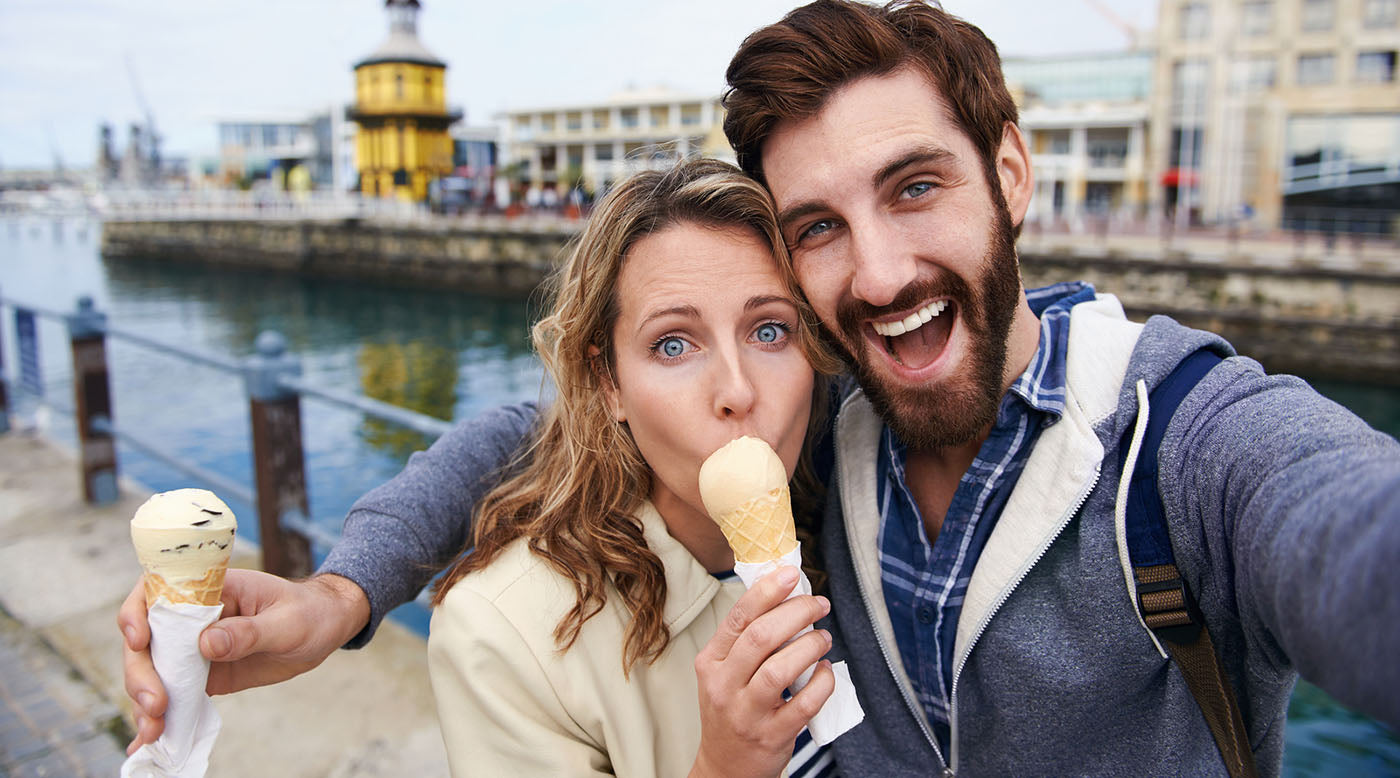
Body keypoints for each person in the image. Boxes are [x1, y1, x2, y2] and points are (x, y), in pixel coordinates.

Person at [122, 1, 1400, 773]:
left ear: (1010, 173)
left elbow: (1338, 520)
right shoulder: (836, 417)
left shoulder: (1186, 443)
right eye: (820, 226)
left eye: (914, 186)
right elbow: (533, 431)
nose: (884, 270)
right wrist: (345, 593)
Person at [427, 158, 843, 775]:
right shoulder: (500, 635)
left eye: (771, 331)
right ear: (608, 384)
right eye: (673, 344)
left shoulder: (859, 512)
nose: (737, 390)